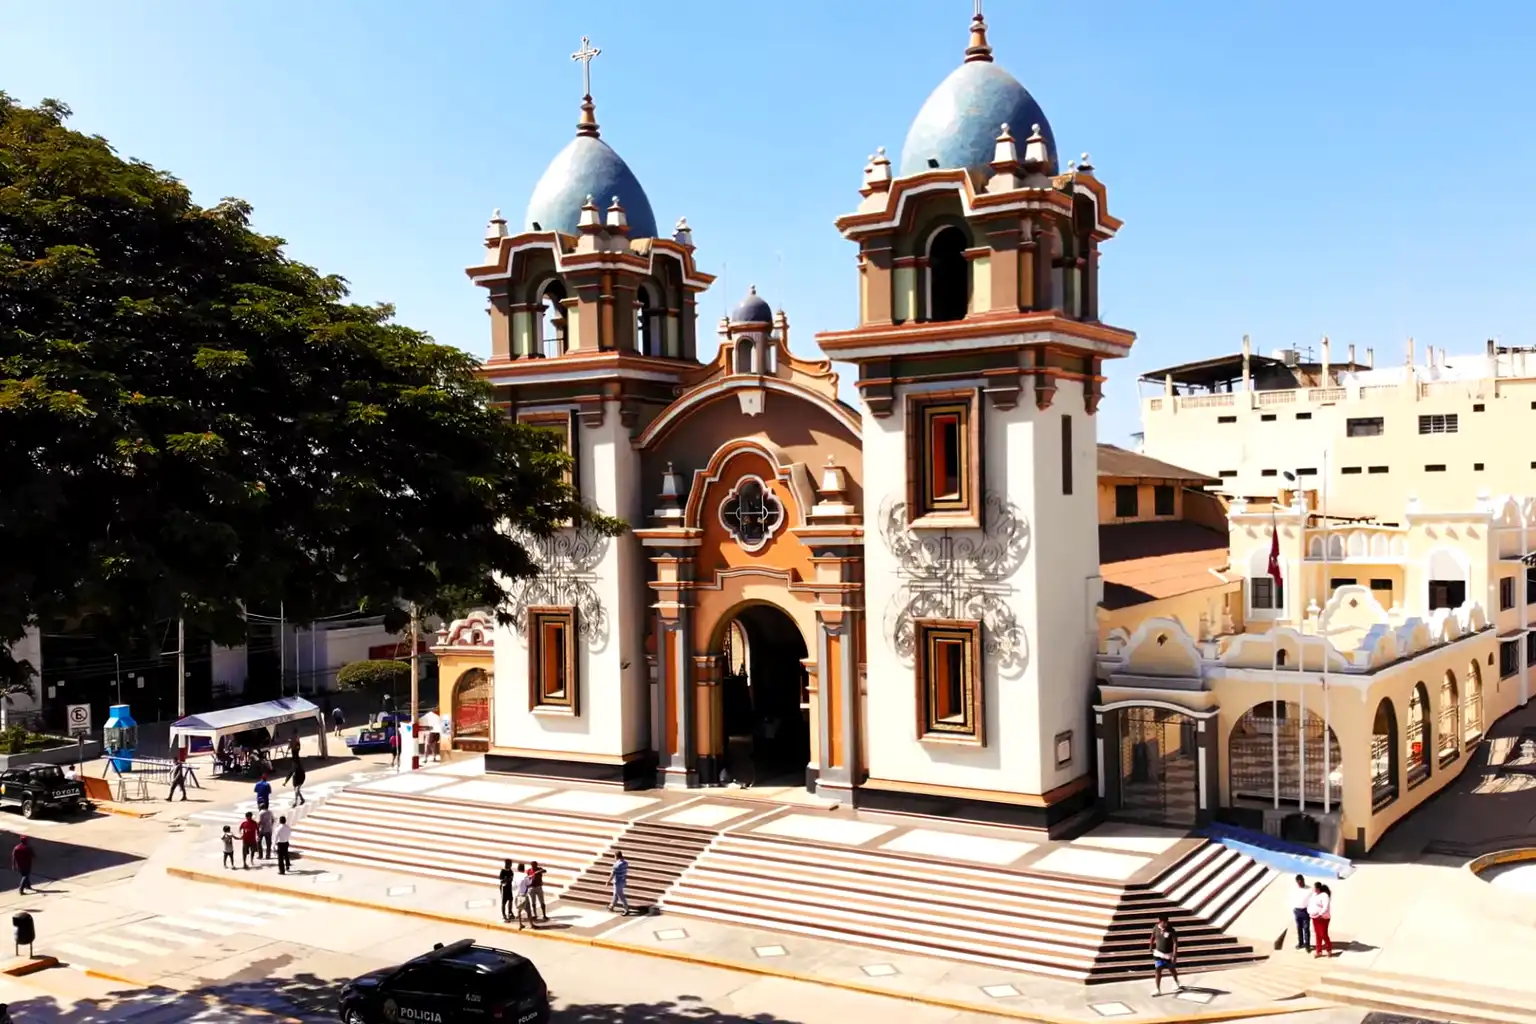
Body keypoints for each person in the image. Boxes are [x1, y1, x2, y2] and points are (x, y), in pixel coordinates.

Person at [1149, 915, 1180, 995]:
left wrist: (1174, 955)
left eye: (1166, 922)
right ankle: (1157, 989)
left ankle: (1176, 981)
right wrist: (1150, 946)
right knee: (1158, 969)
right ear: (1160, 921)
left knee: (1172, 969)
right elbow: (1152, 937)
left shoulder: (1171, 930)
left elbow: (1175, 943)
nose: (1165, 924)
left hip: (1168, 954)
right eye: (1164, 923)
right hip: (1158, 953)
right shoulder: (1156, 927)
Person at [1309, 882, 1334, 959]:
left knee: (1323, 934)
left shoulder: (1324, 896)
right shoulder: (1314, 895)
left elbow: (1325, 906)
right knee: (1317, 934)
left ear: (1318, 889)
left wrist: (1320, 914)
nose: (1313, 890)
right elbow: (1311, 904)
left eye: (1315, 888)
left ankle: (1329, 950)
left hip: (1323, 918)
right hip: (1314, 917)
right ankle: (1318, 951)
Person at [1290, 874, 1312, 951]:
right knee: (1299, 928)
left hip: (1305, 911)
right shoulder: (1294, 889)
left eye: (1302, 881)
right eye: (1299, 882)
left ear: (1303, 880)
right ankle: (1300, 943)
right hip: (1297, 911)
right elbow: (1291, 897)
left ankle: (1307, 945)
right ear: (1297, 882)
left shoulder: (1309, 889)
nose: (1301, 883)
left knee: (1306, 929)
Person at [608, 850, 630, 916]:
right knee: (615, 894)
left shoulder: (616, 865)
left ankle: (626, 909)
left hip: (618, 882)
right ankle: (611, 906)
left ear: (616, 856)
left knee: (620, 895)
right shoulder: (626, 863)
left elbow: (612, 874)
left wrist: (608, 881)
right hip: (623, 880)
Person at [513, 862, 533, 930]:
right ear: (523, 869)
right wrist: (531, 878)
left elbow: (514, 886)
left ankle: (520, 924)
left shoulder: (515, 875)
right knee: (528, 911)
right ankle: (531, 924)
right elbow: (529, 883)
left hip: (517, 894)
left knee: (519, 910)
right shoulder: (525, 876)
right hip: (524, 895)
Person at [499, 859, 516, 923]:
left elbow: (512, 878)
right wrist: (506, 880)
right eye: (510, 864)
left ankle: (510, 912)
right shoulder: (503, 871)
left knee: (511, 899)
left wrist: (509, 880)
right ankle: (504, 915)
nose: (511, 865)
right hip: (504, 888)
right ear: (507, 864)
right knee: (504, 902)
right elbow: (501, 880)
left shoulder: (511, 871)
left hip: (509, 887)